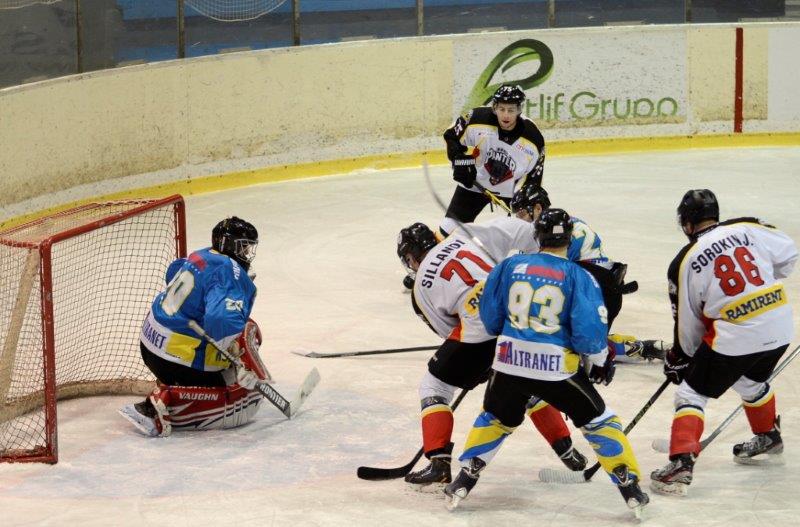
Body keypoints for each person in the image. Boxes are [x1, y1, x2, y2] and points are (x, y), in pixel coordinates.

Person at [444, 209, 649, 516]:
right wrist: (600, 360)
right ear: (569, 239)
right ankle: (628, 483)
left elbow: (489, 318)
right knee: (599, 420)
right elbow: (589, 333)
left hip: (509, 362)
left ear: (536, 236)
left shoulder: (508, 266)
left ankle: (465, 476)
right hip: (555, 370)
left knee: (496, 418)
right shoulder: (579, 275)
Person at [397, 216, 589, 488]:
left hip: (478, 334)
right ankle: (567, 450)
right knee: (525, 380)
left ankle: (439, 462)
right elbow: (519, 231)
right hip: (518, 316)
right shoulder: (462, 235)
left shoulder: (419, 288)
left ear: (411, 258)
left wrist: (480, 360)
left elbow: (448, 330)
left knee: (435, 386)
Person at [650, 189, 798, 496]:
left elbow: (688, 320)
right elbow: (788, 253)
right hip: (780, 324)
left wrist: (682, 358)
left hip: (737, 335)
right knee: (749, 381)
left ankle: (680, 464)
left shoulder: (685, 260)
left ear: (687, 223)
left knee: (691, 392)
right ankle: (768, 436)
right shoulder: (747, 226)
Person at [119, 216, 268, 437]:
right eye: (243, 247)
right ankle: (163, 403)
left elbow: (173, 271)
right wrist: (234, 352)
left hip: (149, 346)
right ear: (229, 244)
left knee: (231, 352)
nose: (247, 253)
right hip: (177, 360)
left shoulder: (203, 254)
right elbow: (221, 321)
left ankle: (173, 381)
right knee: (242, 398)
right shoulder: (230, 272)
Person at [511, 184, 667, 362]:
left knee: (557, 341)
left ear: (538, 208)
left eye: (521, 214)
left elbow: (541, 277)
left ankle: (629, 348)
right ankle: (623, 346)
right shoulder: (564, 224)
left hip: (597, 296)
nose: (518, 219)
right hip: (602, 292)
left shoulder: (552, 234)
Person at [439, 84, 546, 239]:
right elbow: (451, 136)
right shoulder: (477, 119)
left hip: (511, 192)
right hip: (475, 184)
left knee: (532, 234)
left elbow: (534, 178)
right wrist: (458, 161)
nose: (506, 115)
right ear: (494, 107)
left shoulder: (534, 139)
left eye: (511, 110)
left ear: (519, 110)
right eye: (502, 109)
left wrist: (527, 201)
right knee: (447, 232)